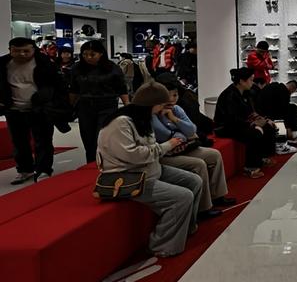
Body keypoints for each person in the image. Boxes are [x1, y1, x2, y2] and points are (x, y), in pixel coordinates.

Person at [96, 82, 202, 257]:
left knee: (194, 181)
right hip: (128, 177)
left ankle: (186, 228)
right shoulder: (121, 123)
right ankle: (161, 245)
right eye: (161, 104)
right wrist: (167, 146)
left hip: (150, 169)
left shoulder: (141, 119)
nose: (164, 108)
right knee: (183, 197)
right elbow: (133, 155)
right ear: (152, 104)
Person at [153, 78, 236, 219]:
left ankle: (218, 196)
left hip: (182, 148)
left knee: (214, 155)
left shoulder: (176, 109)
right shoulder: (153, 114)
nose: (173, 99)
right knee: (199, 164)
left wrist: (174, 120)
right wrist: (179, 131)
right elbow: (164, 134)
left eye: (176, 95)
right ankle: (203, 208)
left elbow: (192, 130)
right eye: (170, 95)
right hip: (165, 154)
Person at [0, 38, 69, 184]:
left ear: (33, 49)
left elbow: (58, 86)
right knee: (19, 142)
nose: (22, 54)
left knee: (43, 141)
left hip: (40, 109)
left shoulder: (45, 63)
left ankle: (43, 169)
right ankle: (25, 170)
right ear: (10, 50)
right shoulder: (3, 64)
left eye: (26, 51)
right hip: (13, 109)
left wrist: (55, 104)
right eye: (17, 51)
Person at [214, 68, 284, 179]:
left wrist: (263, 120)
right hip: (226, 126)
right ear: (242, 81)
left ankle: (263, 157)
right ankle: (250, 167)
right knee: (254, 133)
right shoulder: (230, 95)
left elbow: (251, 111)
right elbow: (232, 119)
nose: (252, 83)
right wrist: (254, 125)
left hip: (240, 122)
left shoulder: (245, 93)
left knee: (268, 127)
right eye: (250, 80)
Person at [70, 40, 129, 163]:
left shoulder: (112, 68)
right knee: (88, 138)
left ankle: (105, 164)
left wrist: (127, 105)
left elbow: (121, 88)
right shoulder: (77, 68)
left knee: (101, 137)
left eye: (92, 54)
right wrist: (69, 106)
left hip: (107, 106)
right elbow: (74, 89)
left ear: (101, 54)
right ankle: (91, 164)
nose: (88, 57)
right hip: (85, 106)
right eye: (85, 54)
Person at [254, 80, 297, 144]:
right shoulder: (285, 92)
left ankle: (291, 133)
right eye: (293, 92)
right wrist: (288, 127)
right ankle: (292, 135)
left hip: (259, 109)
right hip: (267, 112)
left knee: (288, 108)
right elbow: (284, 110)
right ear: (293, 88)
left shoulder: (274, 85)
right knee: (293, 108)